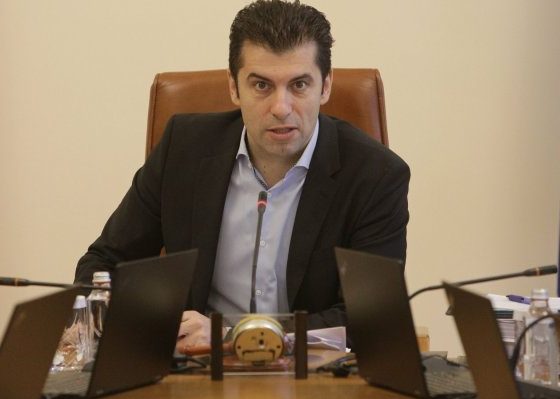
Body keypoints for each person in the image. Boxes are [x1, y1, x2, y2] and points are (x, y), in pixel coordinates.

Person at [74, 0, 410, 353]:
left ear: (325, 87)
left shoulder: (376, 175)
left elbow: (369, 320)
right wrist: (127, 321)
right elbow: (103, 266)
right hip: (196, 371)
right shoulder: (183, 150)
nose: (281, 108)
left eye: (299, 85)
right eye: (262, 85)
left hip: (313, 373)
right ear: (234, 88)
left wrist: (230, 334)